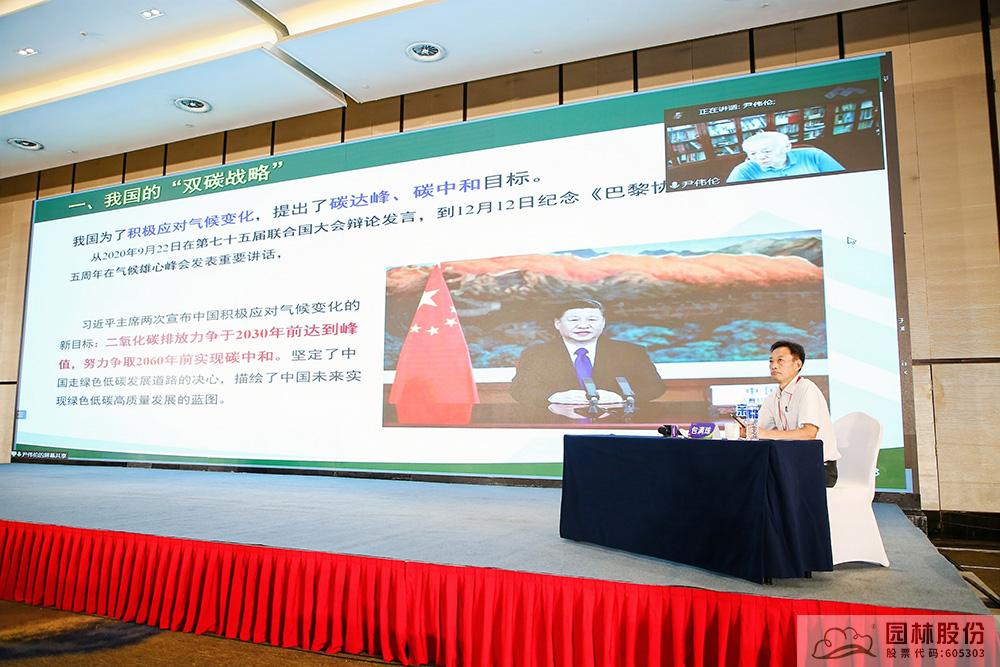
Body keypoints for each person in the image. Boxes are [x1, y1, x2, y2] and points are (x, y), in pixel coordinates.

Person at [509, 299, 665, 406]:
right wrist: (554, 397)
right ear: (557, 324)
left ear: (603, 323)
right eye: (574, 320)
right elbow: (520, 389)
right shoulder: (536, 354)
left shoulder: (631, 352)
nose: (583, 325)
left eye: (592, 320)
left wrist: (621, 396)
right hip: (558, 424)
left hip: (617, 423)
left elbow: (655, 386)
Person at [754, 340, 841, 487]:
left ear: (797, 365)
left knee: (766, 484)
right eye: (771, 361)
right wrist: (748, 431)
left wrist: (762, 433)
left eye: (780, 360)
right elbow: (759, 430)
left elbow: (809, 433)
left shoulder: (807, 388)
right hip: (792, 464)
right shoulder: (773, 397)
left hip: (819, 468)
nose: (773, 365)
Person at [726, 131, 844, 183]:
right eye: (753, 154)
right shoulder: (742, 170)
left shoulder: (814, 155)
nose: (760, 157)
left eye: (767, 151)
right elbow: (732, 197)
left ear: (787, 147)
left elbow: (842, 180)